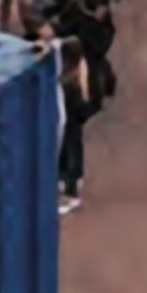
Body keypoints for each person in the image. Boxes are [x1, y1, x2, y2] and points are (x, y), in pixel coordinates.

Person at [58, 39, 92, 213]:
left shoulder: (74, 69)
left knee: (71, 145)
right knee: (67, 145)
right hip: (73, 109)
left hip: (74, 109)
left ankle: (72, 189)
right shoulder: (77, 65)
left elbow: (81, 89)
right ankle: (66, 182)